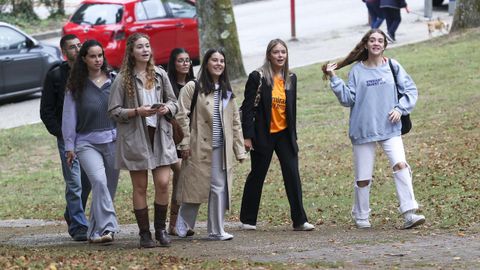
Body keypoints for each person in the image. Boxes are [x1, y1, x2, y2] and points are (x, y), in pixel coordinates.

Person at [321, 29, 425, 229]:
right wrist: (334, 77)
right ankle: (361, 216)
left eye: (380, 41)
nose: (376, 43)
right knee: (363, 178)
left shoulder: (393, 66)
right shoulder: (357, 71)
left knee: (401, 166)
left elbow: (410, 90)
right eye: (372, 40)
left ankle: (409, 213)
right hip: (363, 129)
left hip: (390, 128)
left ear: (385, 45)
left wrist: (399, 108)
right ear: (366, 45)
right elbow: (348, 99)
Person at [108, 33, 179, 248]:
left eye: (147, 46)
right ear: (131, 51)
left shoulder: (160, 74)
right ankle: (144, 234)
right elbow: (113, 111)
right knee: (140, 187)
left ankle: (160, 230)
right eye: (140, 47)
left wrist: (168, 108)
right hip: (136, 138)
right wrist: (136, 111)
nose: (145, 50)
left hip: (161, 136)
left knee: (163, 183)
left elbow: (174, 101)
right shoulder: (122, 79)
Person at [239, 39, 315, 232]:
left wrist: (293, 136)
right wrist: (247, 136)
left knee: (292, 175)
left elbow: (292, 110)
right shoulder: (257, 77)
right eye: (276, 52)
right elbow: (247, 108)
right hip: (263, 134)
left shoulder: (291, 77)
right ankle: (248, 219)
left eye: (283, 52)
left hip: (284, 135)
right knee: (258, 174)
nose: (280, 55)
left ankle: (300, 220)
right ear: (269, 55)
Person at [175, 48, 247, 241]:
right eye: (214, 60)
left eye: (222, 61)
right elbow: (181, 115)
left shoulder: (226, 93)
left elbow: (235, 122)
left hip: (221, 148)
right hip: (198, 145)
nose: (218, 64)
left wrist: (239, 150)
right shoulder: (193, 86)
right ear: (206, 63)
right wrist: (184, 142)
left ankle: (216, 230)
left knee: (218, 187)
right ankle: (184, 218)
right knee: (197, 186)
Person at [62, 39, 119, 243]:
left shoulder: (114, 80)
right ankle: (109, 227)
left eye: (100, 55)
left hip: (113, 140)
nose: (97, 59)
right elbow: (69, 118)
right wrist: (69, 147)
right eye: (93, 56)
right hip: (86, 143)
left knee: (107, 189)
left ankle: (96, 232)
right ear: (84, 59)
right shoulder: (76, 85)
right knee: (98, 181)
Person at [40, 34, 91, 241]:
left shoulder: (92, 71)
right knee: (74, 182)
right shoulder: (55, 75)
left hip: (89, 136)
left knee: (88, 181)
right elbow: (46, 111)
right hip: (67, 138)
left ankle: (71, 212)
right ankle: (78, 226)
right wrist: (61, 134)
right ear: (64, 52)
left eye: (80, 46)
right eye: (72, 47)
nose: (77, 50)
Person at [165, 48, 195, 236]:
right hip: (170, 138)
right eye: (180, 60)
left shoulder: (195, 84)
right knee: (179, 174)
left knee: (184, 180)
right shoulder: (168, 85)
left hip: (189, 138)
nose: (185, 63)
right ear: (173, 63)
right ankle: (173, 224)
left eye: (187, 60)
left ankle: (177, 223)